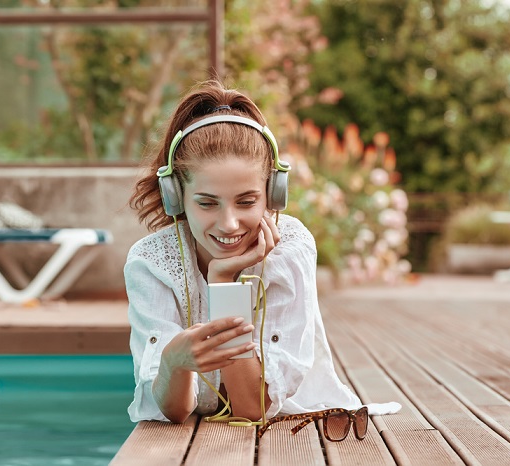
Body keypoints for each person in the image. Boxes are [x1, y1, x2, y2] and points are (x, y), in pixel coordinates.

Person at [125, 80, 400, 424]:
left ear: (273, 194)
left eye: (247, 201)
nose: (229, 224)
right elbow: (175, 411)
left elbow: (252, 408)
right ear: (176, 196)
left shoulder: (290, 248)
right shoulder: (151, 263)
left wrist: (223, 282)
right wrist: (173, 363)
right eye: (207, 203)